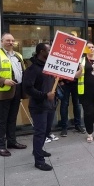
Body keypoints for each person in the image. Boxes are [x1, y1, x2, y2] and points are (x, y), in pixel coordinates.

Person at [0, 33, 27, 157]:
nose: (10, 42)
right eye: (8, 40)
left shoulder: (18, 55)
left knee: (12, 119)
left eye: (12, 40)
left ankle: (12, 142)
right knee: (2, 120)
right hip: (2, 92)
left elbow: (22, 72)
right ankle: (0, 146)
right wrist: (3, 81)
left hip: (17, 90)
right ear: (2, 41)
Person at [23, 43, 56, 171]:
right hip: (38, 107)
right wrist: (44, 95)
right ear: (42, 52)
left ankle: (38, 150)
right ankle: (39, 161)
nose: (51, 51)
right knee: (40, 132)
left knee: (46, 132)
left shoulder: (49, 67)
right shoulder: (33, 69)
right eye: (49, 50)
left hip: (49, 105)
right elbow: (28, 88)